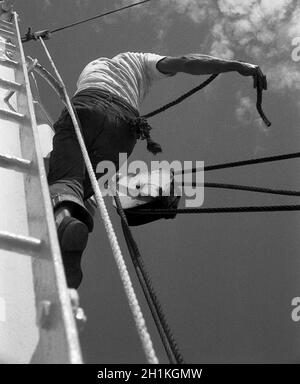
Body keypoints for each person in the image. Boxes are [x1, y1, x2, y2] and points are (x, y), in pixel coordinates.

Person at [47, 52, 267, 289]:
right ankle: (67, 232)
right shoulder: (140, 60)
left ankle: (63, 225)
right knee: (82, 190)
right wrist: (238, 66)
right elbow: (186, 62)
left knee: (65, 181)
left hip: (87, 106)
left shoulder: (92, 65)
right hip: (124, 128)